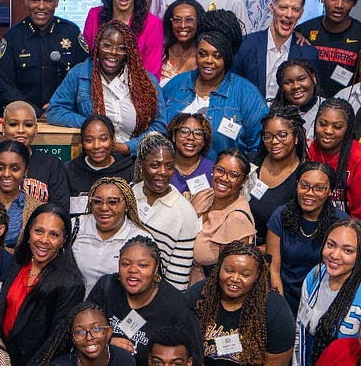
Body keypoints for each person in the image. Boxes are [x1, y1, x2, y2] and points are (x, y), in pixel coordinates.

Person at [190, 242, 294, 366]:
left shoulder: (276, 312)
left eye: (245, 274)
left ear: (257, 275)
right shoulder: (198, 296)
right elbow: (190, 353)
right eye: (229, 270)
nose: (235, 278)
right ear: (219, 268)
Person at [92, 235, 201, 366]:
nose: (132, 270)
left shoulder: (177, 306)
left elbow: (196, 364)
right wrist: (105, 341)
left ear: (156, 269)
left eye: (142, 265)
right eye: (125, 264)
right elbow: (80, 329)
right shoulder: (106, 287)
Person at [49, 19, 167, 155]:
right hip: (94, 153)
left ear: (129, 51)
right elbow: (55, 111)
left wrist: (129, 148)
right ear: (97, 45)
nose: (113, 52)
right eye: (107, 45)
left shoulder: (146, 80)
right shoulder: (79, 74)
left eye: (121, 48)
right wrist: (92, 124)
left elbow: (159, 125)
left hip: (134, 157)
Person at [162, 9, 266, 156]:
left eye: (217, 56)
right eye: (202, 54)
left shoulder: (247, 95)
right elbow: (157, 130)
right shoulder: (176, 85)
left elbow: (259, 148)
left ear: (226, 58)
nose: (208, 61)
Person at [0, 203, 85, 366]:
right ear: (29, 231)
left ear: (64, 240)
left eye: (54, 235)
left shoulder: (71, 283)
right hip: (0, 358)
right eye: (39, 231)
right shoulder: (17, 261)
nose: (44, 240)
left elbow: (55, 344)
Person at [295, 219, 361, 366]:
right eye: (331, 245)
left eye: (347, 250)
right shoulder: (315, 275)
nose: (335, 255)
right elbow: (299, 330)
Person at [0, 0, 89, 112]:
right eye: (35, 0)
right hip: (24, 116)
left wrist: (60, 106)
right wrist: (32, 111)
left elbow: (85, 76)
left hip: (65, 114)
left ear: (56, 1)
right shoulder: (13, 37)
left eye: (48, 1)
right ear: (26, 0)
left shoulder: (71, 33)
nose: (41, 6)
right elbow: (4, 85)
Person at [267, 162, 345, 314]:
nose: (309, 193)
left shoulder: (340, 223)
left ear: (330, 191)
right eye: (304, 185)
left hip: (324, 303)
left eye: (319, 188)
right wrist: (280, 310)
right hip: (285, 297)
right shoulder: (280, 216)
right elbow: (273, 270)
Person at [130, 134, 200, 289]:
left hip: (155, 294)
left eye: (169, 166)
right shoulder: (130, 194)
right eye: (155, 165)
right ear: (141, 165)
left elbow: (178, 277)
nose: (163, 172)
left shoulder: (185, 213)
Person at [295, 0, 361, 98]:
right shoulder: (304, 31)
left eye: (346, 0)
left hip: (347, 106)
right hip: (307, 104)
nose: (339, 5)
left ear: (354, 2)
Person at [232, 0, 319, 100]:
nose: (289, 14)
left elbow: (311, 97)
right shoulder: (245, 46)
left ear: (301, 13)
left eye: (295, 9)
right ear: (272, 8)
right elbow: (232, 90)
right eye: (283, 8)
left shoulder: (309, 54)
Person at [71, 177, 152, 295]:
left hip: (117, 306)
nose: (104, 208)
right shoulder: (76, 226)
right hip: (74, 304)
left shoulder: (140, 239)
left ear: (127, 205)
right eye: (97, 201)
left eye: (113, 202)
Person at [84, 0, 165, 77]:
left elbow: (152, 72)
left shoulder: (153, 24)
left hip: (139, 86)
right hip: (96, 82)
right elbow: (87, 60)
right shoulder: (94, 15)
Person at [0, 100, 70, 203]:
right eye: (13, 124)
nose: (21, 130)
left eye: (28, 125)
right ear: (4, 128)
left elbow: (61, 207)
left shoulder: (52, 164)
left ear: (36, 129)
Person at [309, 99, 361, 222]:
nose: (328, 131)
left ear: (348, 128)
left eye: (337, 127)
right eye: (323, 124)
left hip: (348, 227)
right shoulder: (309, 150)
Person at [250, 107, 310, 251]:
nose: (274, 141)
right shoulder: (251, 163)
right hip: (239, 243)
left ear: (296, 137)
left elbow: (297, 235)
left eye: (282, 135)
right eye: (268, 136)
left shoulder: (304, 178)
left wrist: (255, 250)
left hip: (276, 253)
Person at [191, 148, 256, 277]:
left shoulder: (237, 219)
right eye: (220, 170)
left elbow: (231, 274)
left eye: (233, 175)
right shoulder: (204, 195)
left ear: (244, 181)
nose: (224, 178)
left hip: (204, 285)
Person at [63, 114, 135, 212]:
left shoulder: (129, 170)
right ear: (82, 142)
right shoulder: (68, 171)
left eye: (103, 139)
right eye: (89, 140)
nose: (96, 146)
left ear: (113, 139)